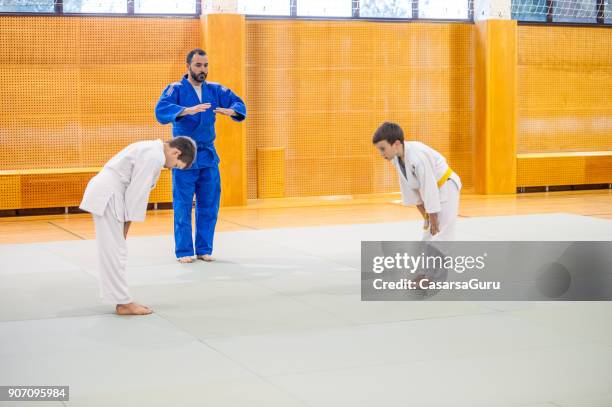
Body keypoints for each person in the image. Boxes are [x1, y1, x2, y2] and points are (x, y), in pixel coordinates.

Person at [80, 137, 196, 315]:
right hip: (109, 195)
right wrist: (124, 230)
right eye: (176, 165)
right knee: (115, 251)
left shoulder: (150, 149)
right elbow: (136, 196)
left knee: (115, 250)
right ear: (176, 152)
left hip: (108, 193)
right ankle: (123, 303)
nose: (171, 168)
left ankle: (121, 299)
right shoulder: (154, 157)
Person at [155, 48, 246, 264]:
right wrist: (188, 110)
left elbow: (239, 103)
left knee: (209, 203)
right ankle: (184, 250)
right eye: (198, 65)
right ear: (188, 67)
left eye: (205, 65)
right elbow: (161, 110)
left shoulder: (214, 90)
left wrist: (230, 111)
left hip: (207, 155)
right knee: (183, 204)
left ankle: (204, 249)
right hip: (184, 155)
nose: (202, 69)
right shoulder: (174, 88)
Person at [372, 122, 461, 241]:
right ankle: (429, 257)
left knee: (442, 232)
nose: (381, 154)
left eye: (383, 149)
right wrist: (426, 215)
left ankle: (441, 258)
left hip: (446, 185)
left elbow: (429, 185)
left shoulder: (417, 157)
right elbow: (409, 188)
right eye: (379, 150)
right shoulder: (397, 158)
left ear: (396, 144)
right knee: (428, 232)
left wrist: (432, 217)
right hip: (433, 189)